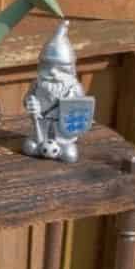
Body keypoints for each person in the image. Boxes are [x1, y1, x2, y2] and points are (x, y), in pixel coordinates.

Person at [23, 20, 93, 164]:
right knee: (29, 147)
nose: (54, 73)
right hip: (41, 127)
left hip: (63, 131)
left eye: (61, 69)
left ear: (70, 68)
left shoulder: (74, 88)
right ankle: (41, 145)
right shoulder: (37, 84)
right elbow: (27, 98)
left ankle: (62, 146)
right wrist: (30, 103)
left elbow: (81, 109)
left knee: (69, 155)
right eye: (48, 67)